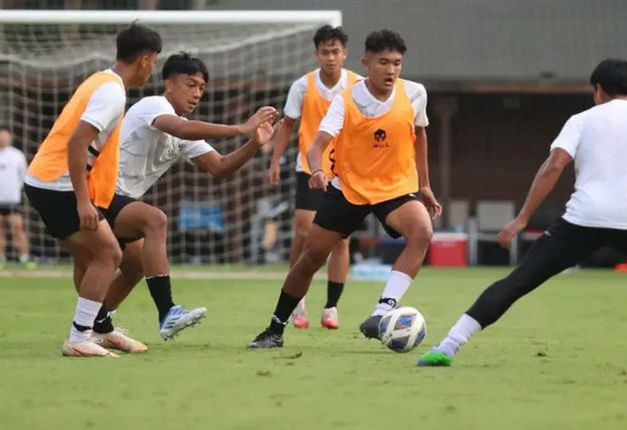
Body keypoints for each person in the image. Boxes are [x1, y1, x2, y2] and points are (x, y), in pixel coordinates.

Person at [418, 59, 627, 371]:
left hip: (583, 218)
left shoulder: (581, 120)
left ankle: (448, 346)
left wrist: (522, 218)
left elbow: (554, 166)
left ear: (597, 90)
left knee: (520, 280)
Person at [248, 29, 442, 349]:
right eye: (383, 62)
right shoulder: (346, 99)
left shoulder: (415, 93)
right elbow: (317, 144)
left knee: (422, 231)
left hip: (394, 188)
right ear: (366, 62)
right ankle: (275, 328)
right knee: (311, 257)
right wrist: (319, 169)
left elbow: (420, 135)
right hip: (349, 188)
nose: (391, 70)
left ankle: (382, 313)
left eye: (397, 63)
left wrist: (425, 186)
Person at [93, 52, 277, 343]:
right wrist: (240, 128)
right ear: (168, 83)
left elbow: (219, 168)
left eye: (202, 88)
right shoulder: (153, 105)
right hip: (98, 195)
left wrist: (253, 143)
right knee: (155, 220)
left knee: (136, 266)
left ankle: (94, 324)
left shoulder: (184, 129)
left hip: (118, 201)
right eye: (190, 84)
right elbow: (180, 128)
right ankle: (167, 313)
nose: (197, 93)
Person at [24, 23, 162, 357]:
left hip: (46, 180)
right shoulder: (112, 92)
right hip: (58, 185)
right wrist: (84, 202)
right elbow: (77, 143)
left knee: (92, 255)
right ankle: (79, 337)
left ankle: (99, 328)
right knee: (110, 254)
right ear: (145, 59)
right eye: (154, 61)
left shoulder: (100, 80)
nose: (153, 68)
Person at [268, 25, 360, 330]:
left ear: (345, 54)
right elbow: (287, 125)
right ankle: (298, 300)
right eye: (325, 52)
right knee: (304, 234)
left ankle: (331, 307)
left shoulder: (357, 85)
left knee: (341, 240)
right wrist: (275, 160)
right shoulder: (303, 86)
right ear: (317, 54)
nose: (331, 57)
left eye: (336, 52)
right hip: (309, 168)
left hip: (344, 172)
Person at [0, 126, 35, 269]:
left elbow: (24, 177)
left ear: (10, 137)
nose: (3, 138)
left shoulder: (17, 155)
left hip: (13, 200)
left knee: (18, 228)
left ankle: (24, 258)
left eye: (5, 135)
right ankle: (1, 259)